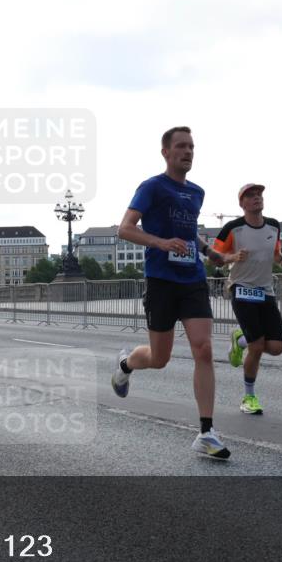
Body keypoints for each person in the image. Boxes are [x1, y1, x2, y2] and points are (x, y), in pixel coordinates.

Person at [110, 126, 230, 459]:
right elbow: (125, 228)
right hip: (161, 280)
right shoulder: (152, 187)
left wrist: (210, 253)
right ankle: (126, 363)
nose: (188, 152)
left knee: (203, 348)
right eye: (181, 146)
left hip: (192, 278)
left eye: (191, 146)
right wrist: (161, 243)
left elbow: (190, 233)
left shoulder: (197, 192)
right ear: (166, 152)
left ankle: (206, 432)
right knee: (159, 358)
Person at [214, 183, 282, 416]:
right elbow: (214, 258)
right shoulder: (232, 228)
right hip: (241, 289)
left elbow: (275, 254)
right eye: (250, 195)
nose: (256, 198)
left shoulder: (274, 226)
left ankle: (240, 339)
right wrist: (233, 256)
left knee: (277, 347)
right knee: (257, 346)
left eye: (259, 194)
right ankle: (249, 397)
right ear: (242, 203)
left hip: (265, 290)